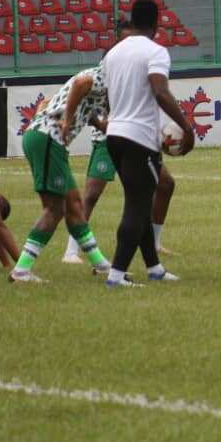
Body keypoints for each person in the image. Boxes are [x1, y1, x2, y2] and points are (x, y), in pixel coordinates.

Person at [62, 22, 178, 264]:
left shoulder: (135, 67)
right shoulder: (106, 67)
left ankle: (155, 243)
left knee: (165, 184)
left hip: (136, 138)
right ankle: (71, 250)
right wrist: (100, 123)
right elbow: (83, 101)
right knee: (92, 193)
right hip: (107, 140)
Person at [100, 0, 194, 287]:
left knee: (136, 201)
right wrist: (185, 127)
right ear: (157, 23)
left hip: (114, 134)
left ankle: (154, 268)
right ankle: (116, 275)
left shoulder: (112, 54)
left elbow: (106, 98)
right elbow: (160, 91)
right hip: (138, 137)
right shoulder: (156, 52)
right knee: (137, 206)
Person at [9, 64, 113, 282]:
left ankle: (101, 265)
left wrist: (101, 125)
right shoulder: (103, 75)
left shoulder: (103, 81)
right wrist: (67, 118)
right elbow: (80, 83)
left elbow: (84, 105)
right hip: (48, 138)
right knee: (54, 209)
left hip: (48, 140)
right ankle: (21, 270)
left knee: (74, 206)